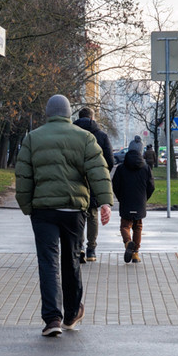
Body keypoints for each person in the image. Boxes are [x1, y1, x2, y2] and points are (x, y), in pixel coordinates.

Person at [16, 94, 113, 338]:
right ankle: (71, 313)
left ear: (48, 113)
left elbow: (24, 176)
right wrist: (105, 202)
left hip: (43, 211)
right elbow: (98, 170)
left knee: (48, 262)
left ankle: (52, 319)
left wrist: (27, 207)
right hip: (73, 209)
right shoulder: (85, 137)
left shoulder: (33, 138)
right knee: (71, 260)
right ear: (69, 113)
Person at [73, 106, 114, 263]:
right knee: (92, 213)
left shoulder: (72, 134)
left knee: (77, 213)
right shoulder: (101, 136)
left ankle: (79, 247)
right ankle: (91, 250)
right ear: (92, 118)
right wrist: (101, 174)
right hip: (94, 180)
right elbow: (110, 160)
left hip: (75, 179)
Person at [111, 140, 155, 263]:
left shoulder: (121, 168)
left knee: (125, 226)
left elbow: (115, 185)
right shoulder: (146, 168)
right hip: (140, 201)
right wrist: (144, 198)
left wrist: (121, 198)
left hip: (126, 200)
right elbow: (151, 186)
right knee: (138, 227)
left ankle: (127, 242)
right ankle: (135, 253)